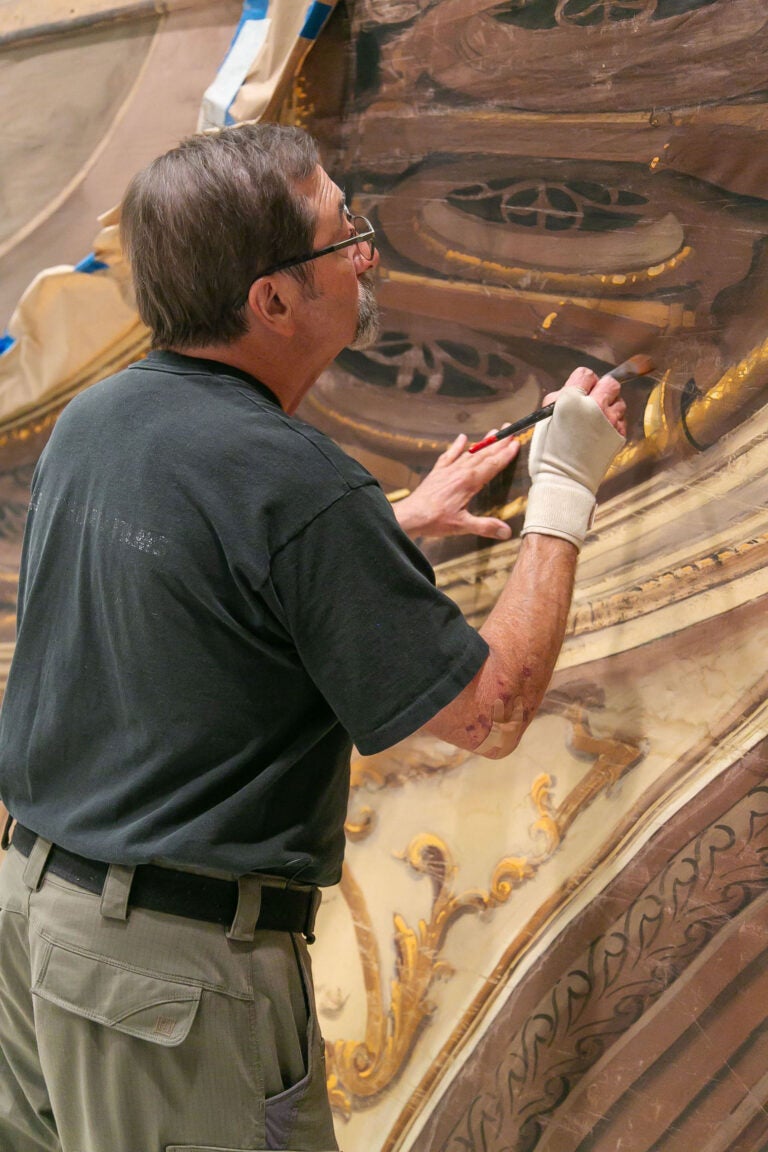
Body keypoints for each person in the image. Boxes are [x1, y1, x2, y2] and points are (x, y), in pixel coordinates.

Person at [0, 124, 626, 1152]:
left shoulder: (100, 420)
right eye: (346, 234)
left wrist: (384, 527)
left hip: (33, 920)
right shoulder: (295, 483)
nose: (367, 252)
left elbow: (199, 568)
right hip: (165, 981)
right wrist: (566, 486)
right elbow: (493, 709)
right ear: (272, 299)